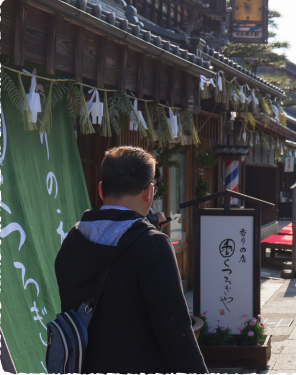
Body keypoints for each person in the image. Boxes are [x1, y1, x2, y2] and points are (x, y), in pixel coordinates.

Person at [55, 146, 208, 373]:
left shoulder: (73, 240)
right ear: (149, 192)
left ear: (100, 190)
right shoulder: (151, 244)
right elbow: (176, 334)